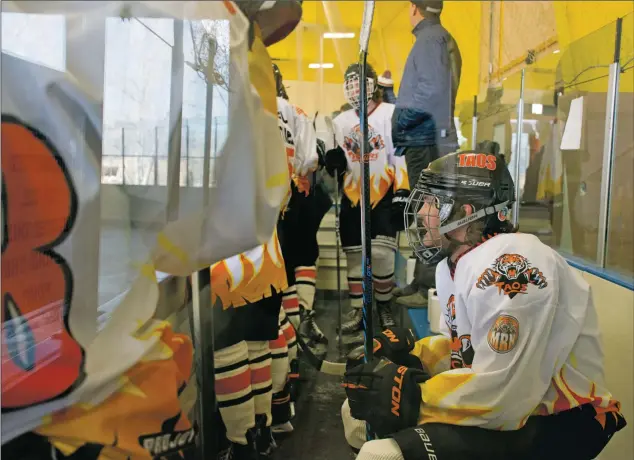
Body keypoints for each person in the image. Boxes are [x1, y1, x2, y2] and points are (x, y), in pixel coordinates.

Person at [341, 150, 627, 460]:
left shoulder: (511, 263)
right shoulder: (455, 264)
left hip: (565, 418)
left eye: (431, 203)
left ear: (464, 212)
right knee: (355, 412)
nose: (421, 213)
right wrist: (415, 354)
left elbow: (504, 395)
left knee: (382, 455)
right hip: (517, 405)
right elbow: (467, 352)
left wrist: (412, 397)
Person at [324, 62, 410, 335]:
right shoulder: (340, 122)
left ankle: (383, 306)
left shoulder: (391, 113)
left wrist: (402, 191)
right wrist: (332, 163)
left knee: (383, 255)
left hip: (382, 193)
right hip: (352, 196)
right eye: (350, 83)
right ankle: (359, 310)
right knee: (354, 257)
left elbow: (400, 153)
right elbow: (332, 160)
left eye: (360, 82)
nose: (355, 89)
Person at [392, 0, 462, 308]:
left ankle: (428, 286)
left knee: (431, 213)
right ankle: (422, 281)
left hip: (426, 138)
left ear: (414, 7)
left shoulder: (429, 39)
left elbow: (430, 90)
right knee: (429, 210)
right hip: (431, 137)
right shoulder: (437, 37)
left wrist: (401, 119)